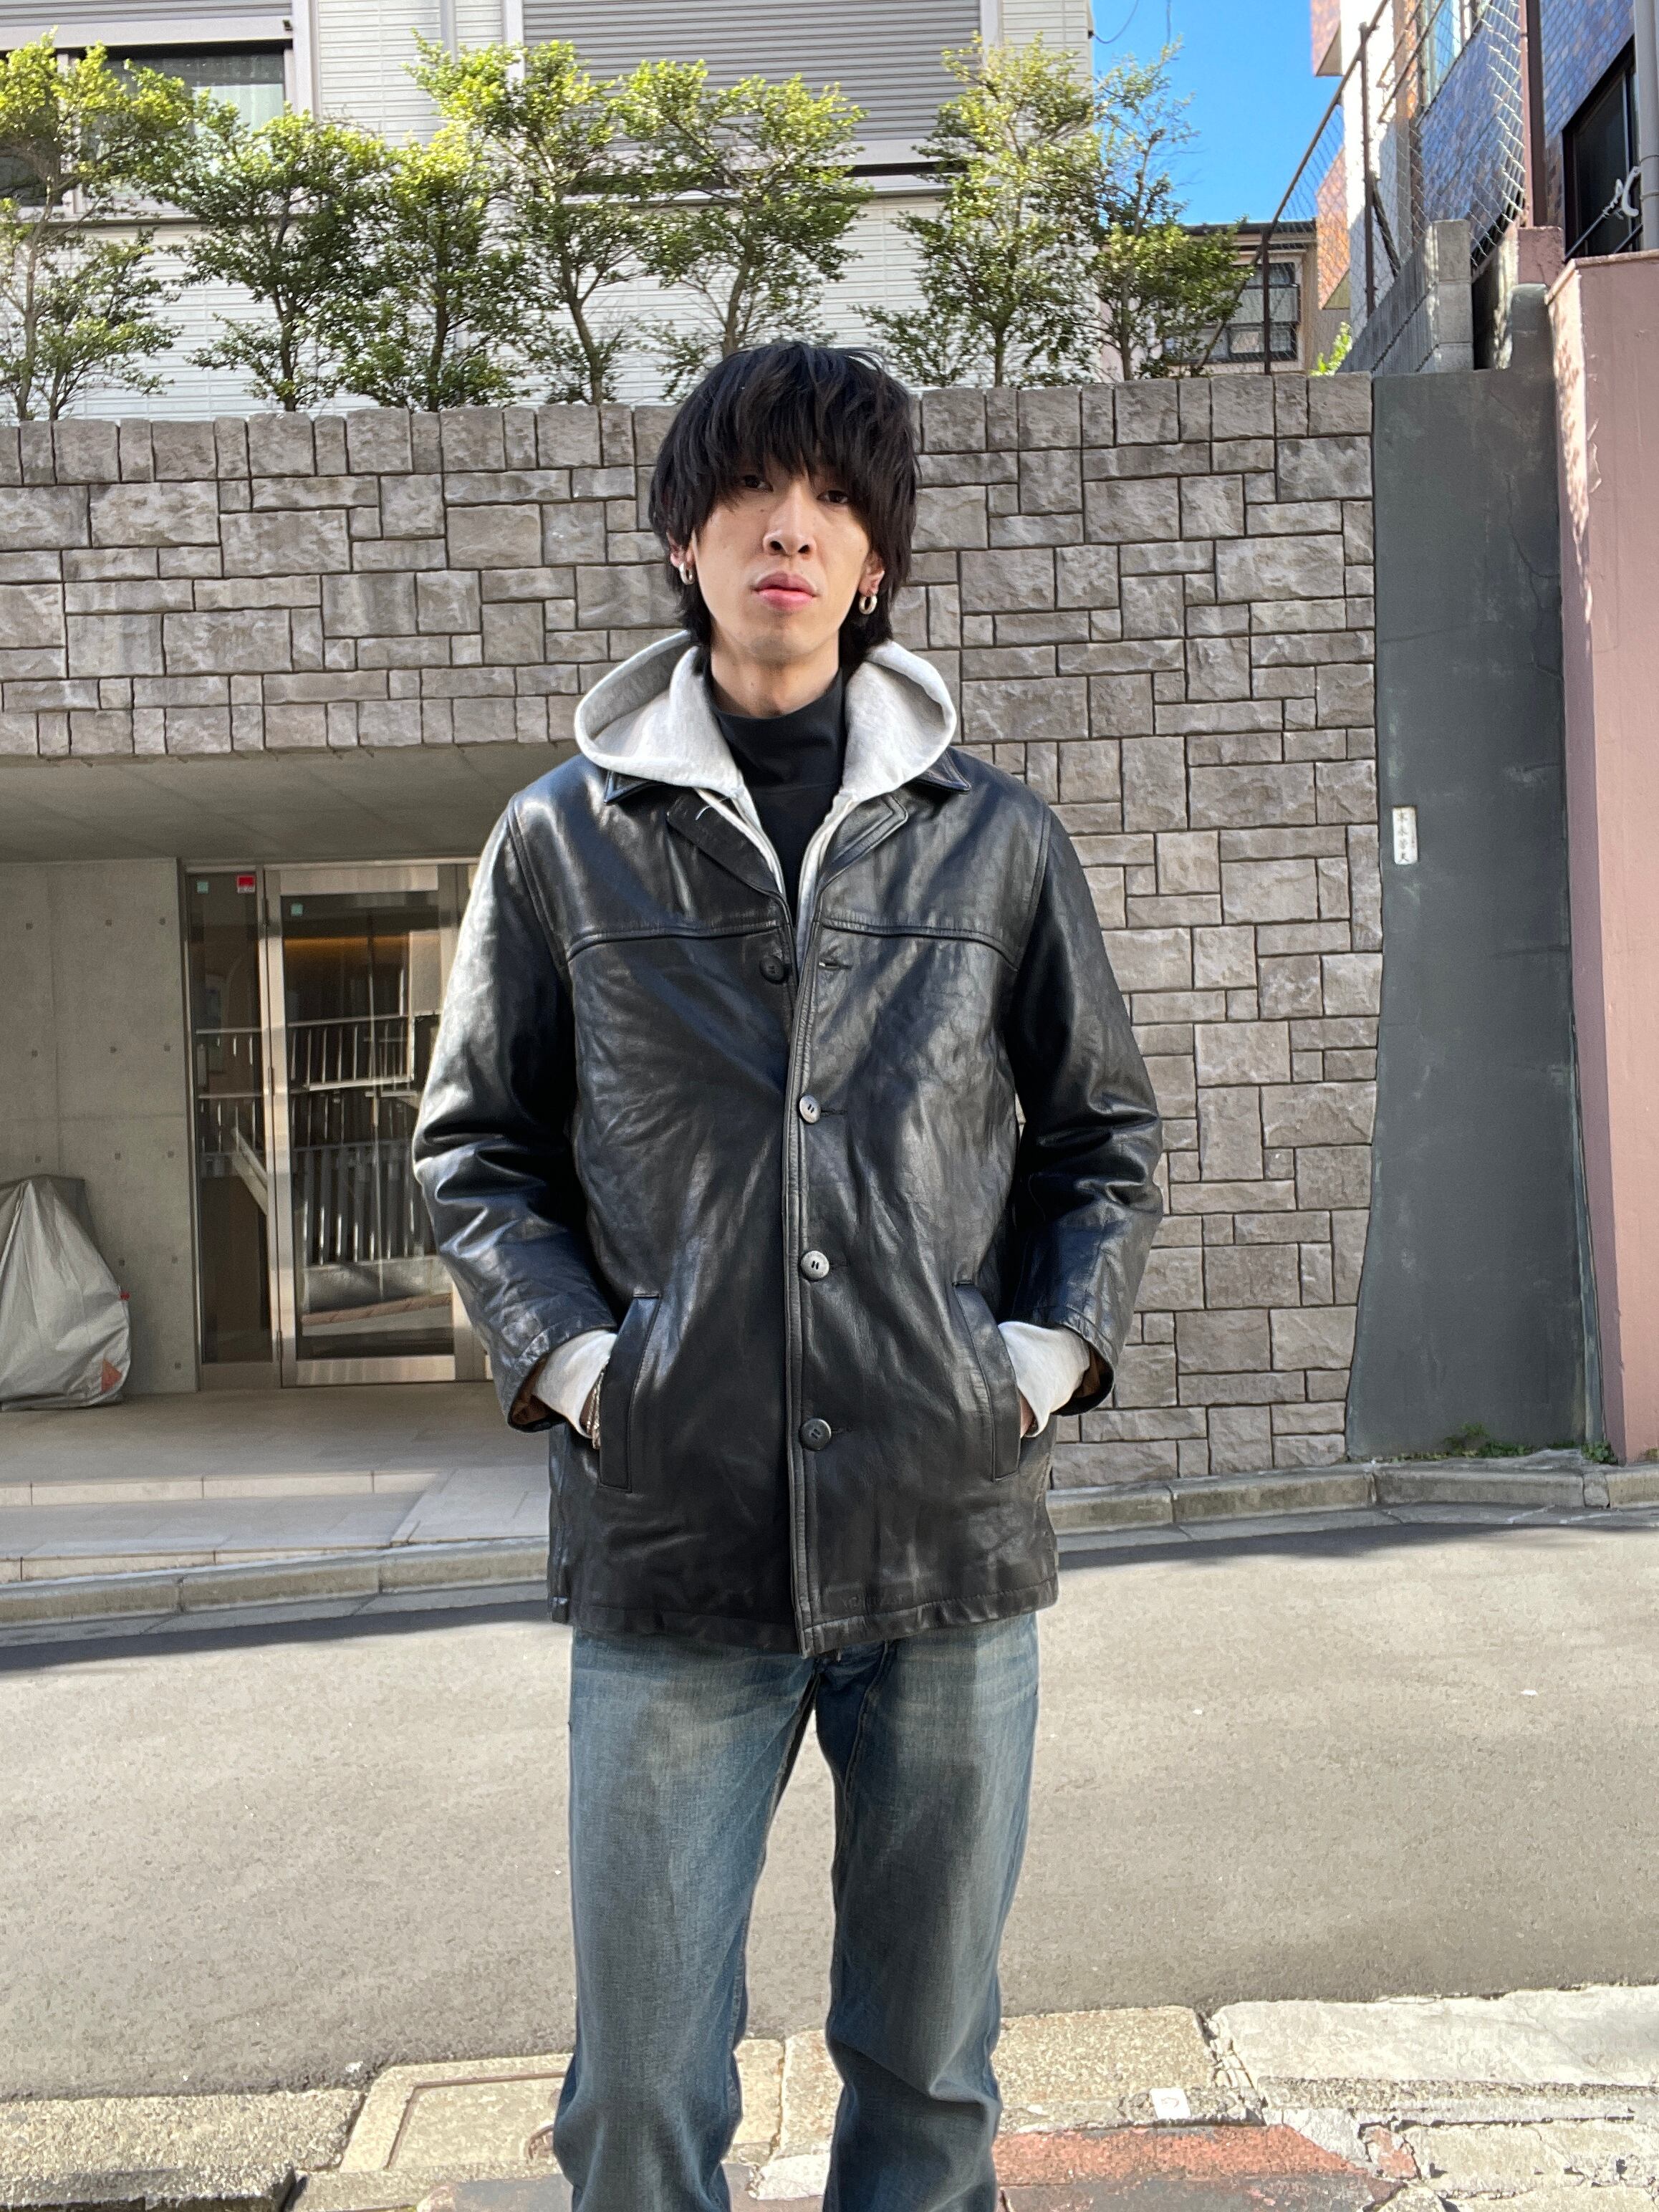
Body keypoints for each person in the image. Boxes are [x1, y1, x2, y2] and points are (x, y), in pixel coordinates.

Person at [413, 342, 1163, 2212]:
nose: (790, 529)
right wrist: (588, 1371)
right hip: (673, 1544)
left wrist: (1035, 1359)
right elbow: (475, 1151)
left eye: (833, 500)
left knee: (930, 2075)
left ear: (875, 557)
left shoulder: (991, 839)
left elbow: (1099, 1138)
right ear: (685, 537)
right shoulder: (564, 839)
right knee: (636, 2094)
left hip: (944, 1535)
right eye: (750, 490)